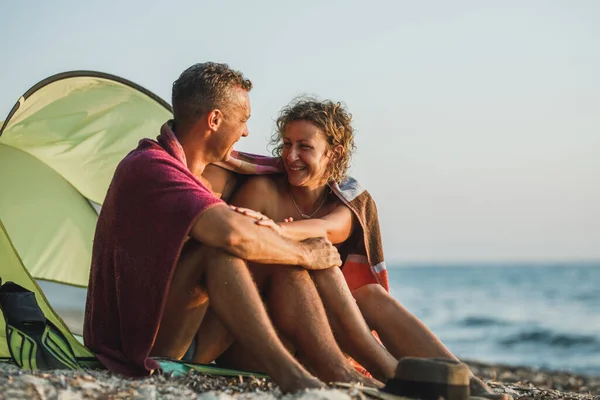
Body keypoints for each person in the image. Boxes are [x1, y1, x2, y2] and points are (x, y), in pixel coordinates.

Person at [83, 63, 375, 393]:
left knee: (277, 259)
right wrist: (306, 251)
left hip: (195, 336)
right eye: (244, 119)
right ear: (215, 120)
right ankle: (297, 379)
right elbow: (231, 234)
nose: (247, 132)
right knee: (219, 250)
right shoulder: (151, 167)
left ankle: (339, 372)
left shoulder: (196, 171)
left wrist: (293, 251)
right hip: (141, 345)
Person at [223, 97, 510, 399]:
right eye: (286, 143)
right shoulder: (262, 191)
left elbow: (327, 229)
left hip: (325, 337)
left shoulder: (347, 200)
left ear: (334, 153)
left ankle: (470, 386)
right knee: (306, 266)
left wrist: (276, 230)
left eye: (304, 146)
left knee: (371, 295)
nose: (291, 155)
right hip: (263, 339)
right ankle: (399, 378)